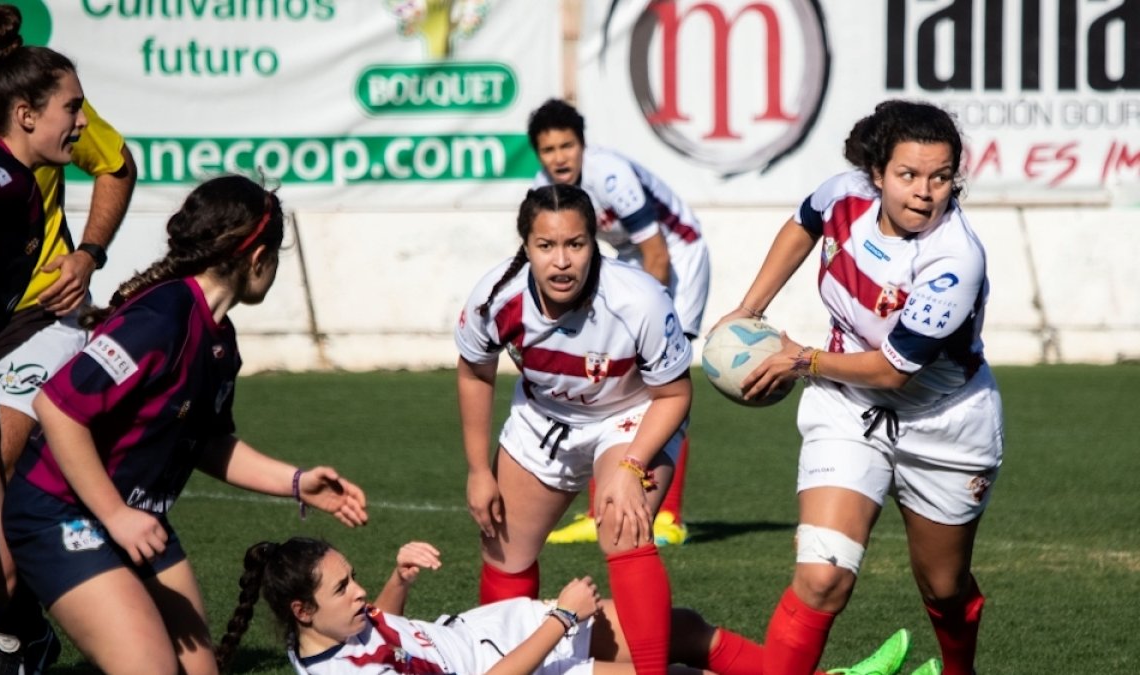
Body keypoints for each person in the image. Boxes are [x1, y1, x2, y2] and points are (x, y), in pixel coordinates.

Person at [1, 175, 370, 675]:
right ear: (259, 257)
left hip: (137, 521)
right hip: (61, 515)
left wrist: (298, 482)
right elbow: (58, 409)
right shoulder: (162, 316)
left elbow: (208, 444)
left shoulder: (220, 339)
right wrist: (115, 515)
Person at [712, 100, 1004, 675]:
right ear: (877, 174)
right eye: (908, 175)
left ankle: (958, 670)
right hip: (847, 406)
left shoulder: (954, 259)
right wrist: (750, 309)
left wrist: (803, 360)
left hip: (944, 422)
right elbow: (804, 223)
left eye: (941, 177)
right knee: (822, 577)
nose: (925, 192)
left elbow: (895, 370)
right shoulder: (845, 195)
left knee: (944, 588)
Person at [0, 2, 137, 670]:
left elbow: (116, 163)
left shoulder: (19, 175)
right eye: (73, 110)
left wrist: (88, 256)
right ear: (25, 114)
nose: (83, 124)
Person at [456, 183, 694, 675]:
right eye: (546, 246)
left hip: (629, 416)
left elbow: (675, 394)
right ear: (526, 247)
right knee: (503, 548)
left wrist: (631, 467)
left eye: (575, 244)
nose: (561, 261)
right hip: (544, 418)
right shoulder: (495, 297)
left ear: (594, 244)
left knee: (621, 526)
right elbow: (474, 371)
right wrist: (479, 469)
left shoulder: (639, 299)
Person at [216, 537, 915, 675]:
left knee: (677, 628)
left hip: (498, 633)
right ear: (303, 611)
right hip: (517, 661)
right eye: (344, 588)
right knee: (655, 665)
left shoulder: (327, 635)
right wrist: (562, 618)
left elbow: (386, 624)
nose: (360, 591)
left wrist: (399, 579)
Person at [528, 98, 710, 548]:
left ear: (582, 145)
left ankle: (667, 516)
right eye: (548, 150)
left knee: (662, 383)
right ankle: (601, 509)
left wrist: (647, 326)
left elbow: (658, 254)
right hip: (625, 261)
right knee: (607, 378)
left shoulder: (609, 176)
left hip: (678, 259)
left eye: (567, 146)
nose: (559, 158)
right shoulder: (544, 191)